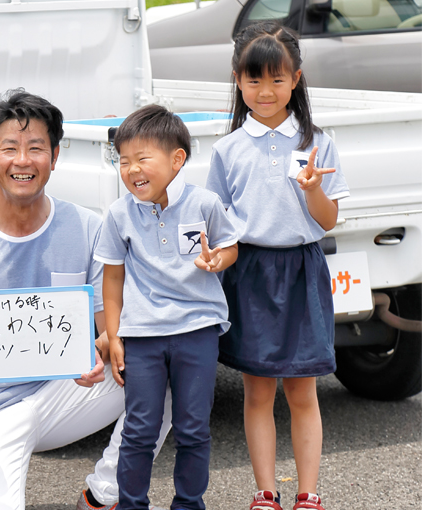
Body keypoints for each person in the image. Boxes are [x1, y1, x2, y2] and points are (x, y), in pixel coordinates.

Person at [0, 89, 171, 510]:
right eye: (10, 149)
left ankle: (103, 495)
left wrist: (103, 346)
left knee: (164, 366)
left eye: (36, 148)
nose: (23, 161)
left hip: (65, 390)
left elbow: (106, 324)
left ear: (54, 156)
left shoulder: (89, 229)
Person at [205, 22, 350, 510]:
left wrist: (312, 190)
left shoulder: (316, 142)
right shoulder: (227, 149)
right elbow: (221, 225)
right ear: (237, 80)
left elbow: (327, 221)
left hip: (303, 271)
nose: (265, 92)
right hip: (249, 274)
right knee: (258, 391)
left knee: (303, 391)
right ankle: (265, 493)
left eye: (276, 80)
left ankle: (308, 494)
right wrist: (211, 258)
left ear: (296, 80)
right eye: (253, 80)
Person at [94, 104, 239, 510]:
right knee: (139, 429)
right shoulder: (119, 214)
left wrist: (218, 260)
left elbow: (230, 246)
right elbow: (113, 277)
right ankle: (131, 504)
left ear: (177, 160)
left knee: (194, 428)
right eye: (123, 161)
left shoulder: (204, 203)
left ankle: (189, 504)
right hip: (141, 335)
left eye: (142, 158)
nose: (131, 170)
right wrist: (116, 333)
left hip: (197, 330)